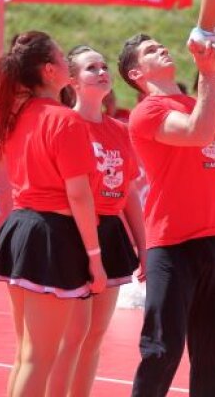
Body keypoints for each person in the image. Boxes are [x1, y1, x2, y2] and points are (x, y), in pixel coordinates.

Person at [118, 33, 215, 396]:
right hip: (171, 245)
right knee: (162, 350)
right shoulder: (147, 112)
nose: (162, 48)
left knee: (212, 354)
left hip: (214, 239)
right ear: (137, 73)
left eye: (160, 44)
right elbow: (197, 134)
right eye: (150, 50)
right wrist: (207, 75)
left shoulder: (206, 104)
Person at [0, 32, 107, 397]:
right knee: (38, 358)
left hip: (22, 228)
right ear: (50, 71)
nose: (69, 63)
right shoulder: (63, 119)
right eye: (64, 60)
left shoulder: (18, 115)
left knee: (26, 355)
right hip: (50, 233)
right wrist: (95, 259)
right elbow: (79, 195)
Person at [48, 46, 145, 397]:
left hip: (110, 231)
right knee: (71, 336)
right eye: (92, 68)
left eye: (104, 66)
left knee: (94, 336)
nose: (103, 71)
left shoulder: (120, 129)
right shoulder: (63, 123)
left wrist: (144, 248)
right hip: (73, 232)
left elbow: (130, 192)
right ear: (72, 81)